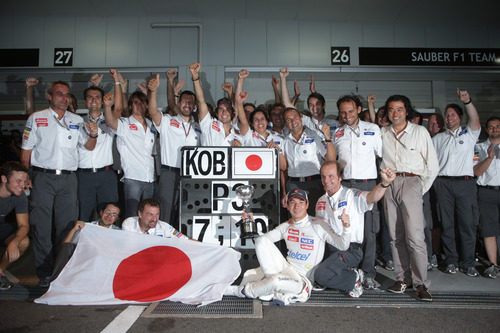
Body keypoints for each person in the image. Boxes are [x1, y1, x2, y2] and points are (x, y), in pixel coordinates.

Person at [21, 80, 98, 287]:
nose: (64, 98)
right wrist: (27, 178)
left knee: (67, 227)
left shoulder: (77, 120)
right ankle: (45, 272)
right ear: (49, 96)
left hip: (68, 179)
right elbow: (26, 153)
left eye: (67, 95)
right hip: (42, 177)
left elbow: (89, 146)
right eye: (59, 94)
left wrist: (93, 134)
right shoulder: (36, 119)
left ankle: (63, 270)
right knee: (42, 227)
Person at [225, 188, 351, 305]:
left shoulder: (318, 225)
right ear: (288, 206)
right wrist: (250, 223)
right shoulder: (286, 226)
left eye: (301, 202)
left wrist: (346, 227)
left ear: (307, 205)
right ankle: (267, 288)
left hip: (302, 280)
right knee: (261, 240)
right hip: (285, 268)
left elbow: (343, 245)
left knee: (276, 281)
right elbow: (264, 242)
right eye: (292, 202)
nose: (297, 206)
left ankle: (240, 291)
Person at [381, 95, 439, 301]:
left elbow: (432, 165)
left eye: (399, 109)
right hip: (389, 184)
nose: (395, 113)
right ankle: (402, 279)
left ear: (406, 111)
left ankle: (421, 283)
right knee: (395, 236)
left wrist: (419, 190)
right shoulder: (383, 133)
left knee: (415, 237)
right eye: (391, 109)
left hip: (413, 182)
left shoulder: (419, 132)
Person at [314, 161, 395, 295]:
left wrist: (384, 183)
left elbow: (372, 197)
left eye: (331, 176)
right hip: (329, 249)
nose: (326, 180)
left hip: (350, 250)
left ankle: (354, 279)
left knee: (320, 275)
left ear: (340, 177)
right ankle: (341, 273)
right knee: (312, 273)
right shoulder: (321, 201)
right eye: (323, 176)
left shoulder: (352, 195)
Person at [333, 95, 383, 289]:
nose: (347, 115)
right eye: (343, 112)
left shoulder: (373, 129)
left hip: (367, 185)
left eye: (351, 111)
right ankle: (350, 271)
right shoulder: (337, 133)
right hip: (345, 187)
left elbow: (382, 156)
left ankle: (369, 272)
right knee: (347, 230)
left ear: (359, 109)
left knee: (369, 231)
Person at [432, 89, 481, 277]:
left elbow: (475, 120)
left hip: (465, 184)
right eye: (447, 115)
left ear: (460, 117)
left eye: (452, 114)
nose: (449, 118)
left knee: (467, 224)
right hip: (443, 184)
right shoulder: (439, 139)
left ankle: (468, 262)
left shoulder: (469, 134)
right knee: (447, 224)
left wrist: (467, 101)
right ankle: (451, 260)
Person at [147, 73, 200, 224]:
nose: (187, 105)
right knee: (165, 210)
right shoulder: (168, 121)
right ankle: (164, 242)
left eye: (190, 102)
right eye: (184, 101)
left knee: (186, 211)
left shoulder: (199, 127)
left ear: (194, 106)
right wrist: (153, 92)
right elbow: (152, 112)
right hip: (169, 173)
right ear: (178, 103)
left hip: (190, 175)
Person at [104, 69, 157, 218]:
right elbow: (110, 121)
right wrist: (108, 106)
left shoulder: (151, 125)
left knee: (148, 216)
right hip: (133, 178)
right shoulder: (125, 124)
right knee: (132, 215)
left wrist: (151, 92)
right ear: (131, 105)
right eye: (135, 103)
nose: (139, 106)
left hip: (150, 178)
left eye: (142, 103)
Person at [49, 202, 121, 283]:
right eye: (107, 212)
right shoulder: (87, 227)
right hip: (85, 260)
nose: (109, 216)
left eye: (114, 215)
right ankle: (55, 281)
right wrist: (74, 230)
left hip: (104, 263)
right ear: (101, 212)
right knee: (67, 248)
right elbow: (65, 245)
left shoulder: (118, 233)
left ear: (116, 219)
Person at [77, 85, 119, 221]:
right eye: (90, 97)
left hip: (105, 175)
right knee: (83, 214)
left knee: (109, 215)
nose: (93, 100)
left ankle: (107, 242)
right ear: (85, 101)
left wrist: (117, 84)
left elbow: (118, 109)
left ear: (102, 101)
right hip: (84, 176)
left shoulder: (109, 121)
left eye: (97, 97)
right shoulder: (77, 122)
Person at [190, 62, 243, 146]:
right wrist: (195, 78)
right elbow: (201, 101)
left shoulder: (238, 135)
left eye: (228, 109)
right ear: (216, 113)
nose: (224, 112)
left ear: (232, 113)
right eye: (221, 109)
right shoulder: (209, 124)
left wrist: (239, 149)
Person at [473, 116, 500, 278]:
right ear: (487, 129)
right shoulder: (478, 148)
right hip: (486, 192)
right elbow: (476, 172)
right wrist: (489, 158)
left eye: (498, 126)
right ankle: (493, 264)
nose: (495, 129)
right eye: (491, 127)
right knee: (488, 229)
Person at [0, 162, 30, 290]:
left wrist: (14, 242)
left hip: (3, 227)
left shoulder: (20, 196)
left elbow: (24, 225)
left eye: (24, 181)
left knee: (23, 241)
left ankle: (0, 271)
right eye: (18, 181)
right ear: (4, 179)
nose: (22, 185)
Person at [122, 198, 187, 239]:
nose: (155, 219)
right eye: (150, 214)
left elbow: (185, 240)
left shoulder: (165, 227)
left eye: (157, 214)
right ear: (140, 214)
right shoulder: (128, 224)